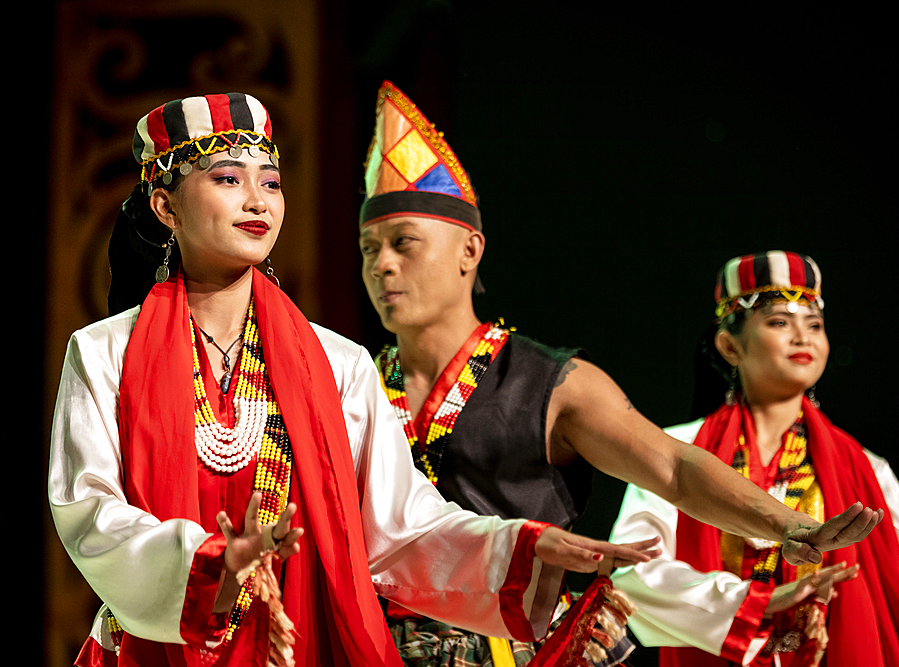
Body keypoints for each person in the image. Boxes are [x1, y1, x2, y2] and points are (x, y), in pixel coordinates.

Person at [48, 93, 666, 667]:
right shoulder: (106, 352)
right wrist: (207, 564)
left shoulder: (337, 362)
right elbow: (90, 510)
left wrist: (522, 550)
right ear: (165, 205)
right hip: (161, 643)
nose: (258, 201)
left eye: (270, 183)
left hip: (300, 641)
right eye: (228, 180)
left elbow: (400, 528)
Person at [356, 81, 883, 667]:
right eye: (367, 248)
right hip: (373, 646)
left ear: (469, 250)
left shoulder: (551, 384)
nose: (382, 265)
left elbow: (674, 467)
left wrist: (787, 525)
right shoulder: (353, 382)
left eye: (403, 242)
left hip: (517, 650)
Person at [609, 250, 899, 666]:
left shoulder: (861, 465)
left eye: (814, 325)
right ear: (730, 345)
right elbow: (633, 568)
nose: (802, 337)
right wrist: (748, 603)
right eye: (779, 322)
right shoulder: (678, 449)